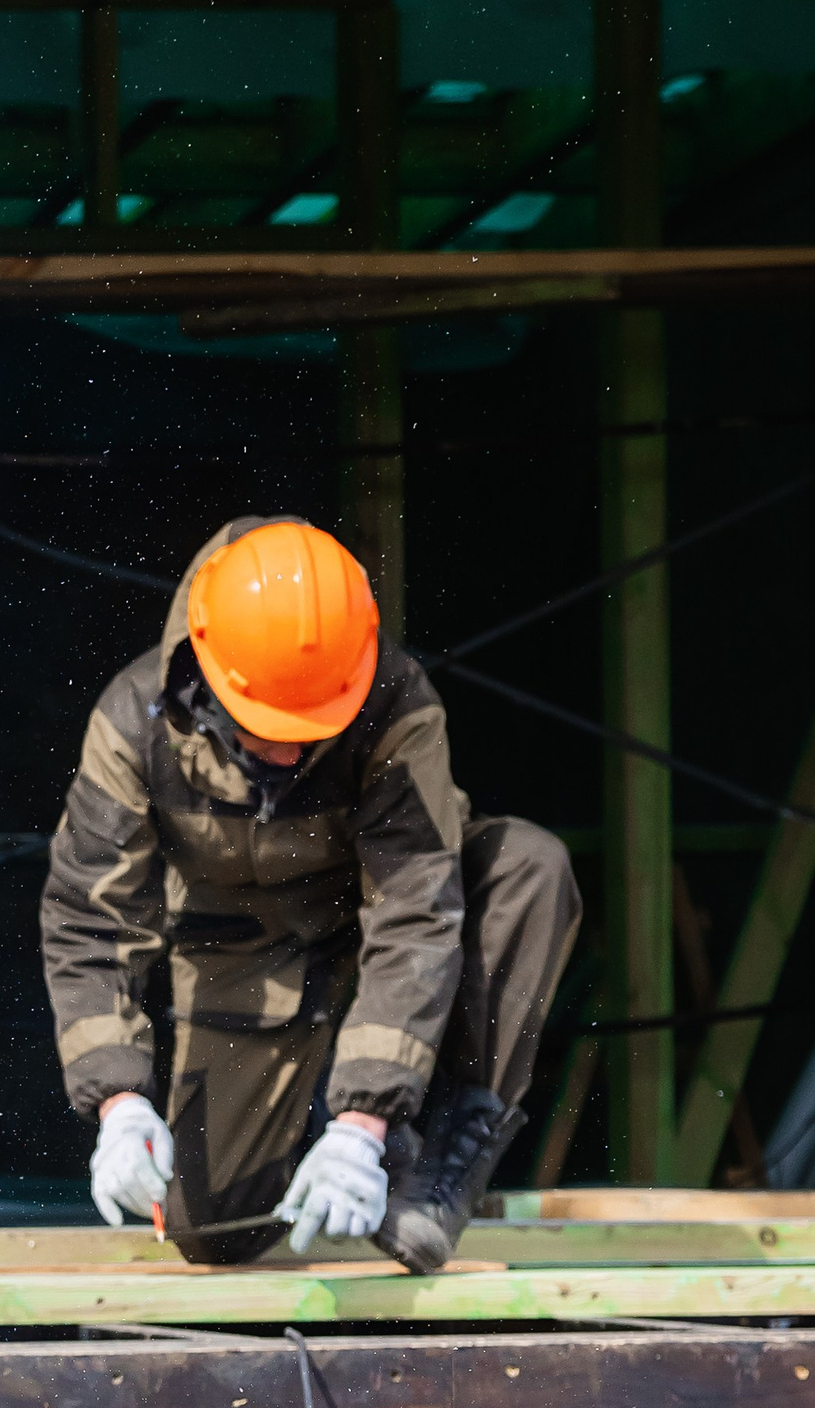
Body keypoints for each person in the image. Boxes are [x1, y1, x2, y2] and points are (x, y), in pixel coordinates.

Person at [42, 515, 579, 1272]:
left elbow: (415, 913)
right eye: (270, 725)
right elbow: (88, 925)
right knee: (210, 1232)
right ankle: (308, 1149)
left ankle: (426, 1171)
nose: (292, 748)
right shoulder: (132, 723)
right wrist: (119, 1103)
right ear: (209, 669)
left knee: (527, 867)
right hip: (250, 949)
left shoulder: (397, 700)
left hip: (383, 920)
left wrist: (362, 1124)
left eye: (315, 722)